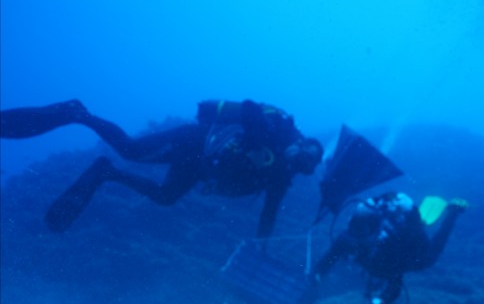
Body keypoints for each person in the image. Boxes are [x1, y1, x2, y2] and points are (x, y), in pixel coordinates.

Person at [0, 99, 323, 237]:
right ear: (299, 142)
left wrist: (262, 247)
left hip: (200, 168)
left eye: (300, 163)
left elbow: (270, 212)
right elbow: (250, 108)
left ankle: (104, 172)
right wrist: (256, 142)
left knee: (166, 196)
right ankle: (77, 112)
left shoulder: (282, 175)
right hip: (195, 142)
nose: (294, 159)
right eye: (298, 152)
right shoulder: (277, 130)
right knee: (131, 149)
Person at [313, 191, 466, 304]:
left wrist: (317, 274)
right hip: (397, 237)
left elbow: (330, 256)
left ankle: (452, 213)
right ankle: (451, 213)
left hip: (404, 241)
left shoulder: (356, 243)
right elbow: (394, 289)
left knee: (429, 258)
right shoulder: (386, 261)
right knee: (427, 258)